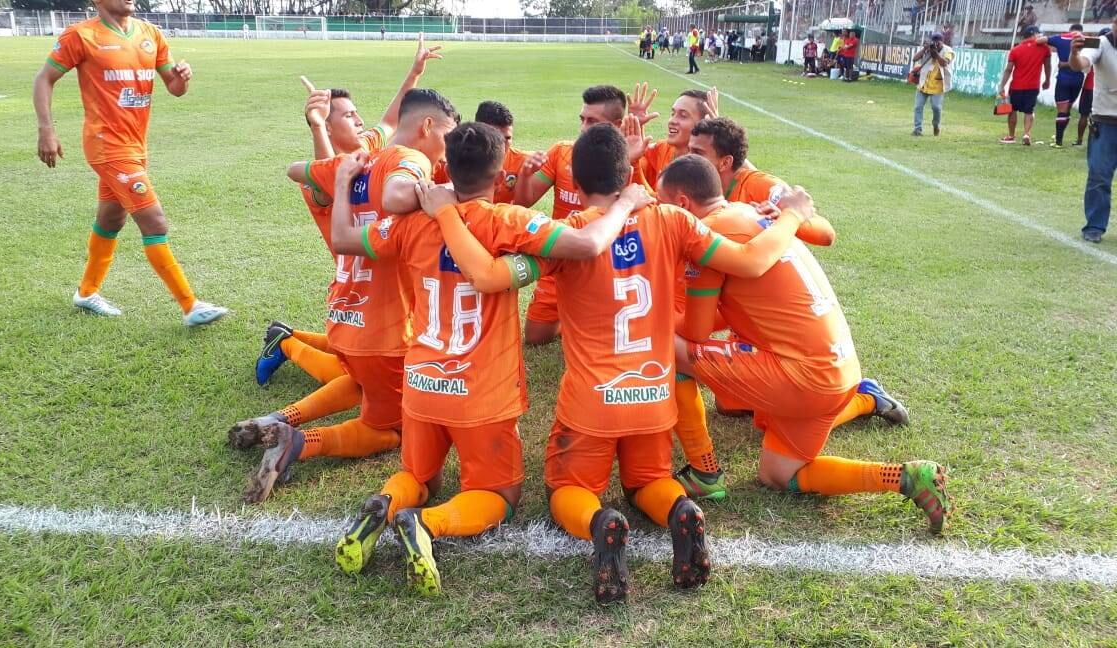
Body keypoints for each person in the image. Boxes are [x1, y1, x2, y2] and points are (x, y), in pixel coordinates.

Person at [436, 124, 819, 604]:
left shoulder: (570, 234)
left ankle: (600, 522)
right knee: (648, 481)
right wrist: (791, 215)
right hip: (653, 394)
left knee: (566, 488)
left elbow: (493, 277)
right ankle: (678, 510)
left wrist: (447, 214)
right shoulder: (671, 220)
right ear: (629, 174)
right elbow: (749, 260)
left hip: (592, 403)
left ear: (575, 181)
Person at [329, 122, 650, 596]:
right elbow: (586, 244)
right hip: (481, 392)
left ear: (446, 168)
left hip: (423, 382)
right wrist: (625, 202)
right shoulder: (507, 222)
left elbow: (342, 238)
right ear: (500, 175)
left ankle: (385, 503)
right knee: (501, 493)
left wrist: (341, 182)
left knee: (418, 475)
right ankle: (427, 524)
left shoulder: (411, 222)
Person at [660, 155, 952, 534]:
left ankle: (704, 471)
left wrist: (642, 321)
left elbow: (696, 334)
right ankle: (907, 476)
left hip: (803, 377)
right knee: (777, 474)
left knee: (667, 347)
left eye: (661, 204)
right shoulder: (748, 214)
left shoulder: (709, 236)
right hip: (838, 373)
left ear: (682, 203)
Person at [240, 89, 457, 503]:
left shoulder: (354, 161)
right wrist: (439, 195)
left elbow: (295, 169)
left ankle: (277, 416)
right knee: (391, 429)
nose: (448, 147)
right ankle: (298, 442)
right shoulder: (411, 160)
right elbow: (396, 194)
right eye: (448, 134)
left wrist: (340, 176)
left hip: (345, 316)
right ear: (427, 126)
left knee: (362, 386)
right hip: (387, 332)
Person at [34, 0, 227, 325]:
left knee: (111, 219)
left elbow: (175, 88)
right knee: (154, 221)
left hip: (136, 145)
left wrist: (183, 77)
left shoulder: (151, 33)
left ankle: (86, 292)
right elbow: (44, 78)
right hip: (106, 145)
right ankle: (190, 305)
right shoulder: (81, 36)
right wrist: (46, 130)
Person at [512, 85, 631, 346]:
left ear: (616, 125)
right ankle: (575, 315)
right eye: (582, 119)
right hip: (563, 258)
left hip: (607, 260)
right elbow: (523, 201)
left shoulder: (629, 159)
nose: (583, 127)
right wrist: (525, 176)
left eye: (592, 121)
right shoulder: (562, 153)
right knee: (536, 336)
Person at [1070, 22, 1117, 242]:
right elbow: (1081, 63)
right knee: (1099, 176)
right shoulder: (1099, 44)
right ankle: (1095, 226)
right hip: (1105, 123)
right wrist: (1074, 53)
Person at [999, 25, 1051, 145]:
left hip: (1016, 86)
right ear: (1034, 34)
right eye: (1039, 34)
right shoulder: (1044, 49)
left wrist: (1002, 85)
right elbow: (1048, 66)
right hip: (1033, 86)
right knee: (1029, 111)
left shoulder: (1015, 50)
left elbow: (1008, 69)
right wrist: (1047, 80)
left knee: (1012, 110)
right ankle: (1026, 134)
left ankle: (1011, 136)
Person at [1047, 24, 1087, 148]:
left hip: (1064, 79)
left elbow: (1040, 40)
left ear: (1070, 31)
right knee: (1068, 108)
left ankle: (1058, 141)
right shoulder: (1086, 41)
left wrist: (1063, 64)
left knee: (1062, 110)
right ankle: (1059, 135)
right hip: (1078, 79)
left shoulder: (1060, 39)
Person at [911, 32, 955, 136]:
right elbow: (914, 59)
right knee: (918, 107)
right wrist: (924, 49)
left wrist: (936, 54)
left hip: (938, 86)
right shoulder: (929, 48)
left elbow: (944, 63)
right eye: (934, 42)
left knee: (936, 108)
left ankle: (936, 125)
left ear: (942, 42)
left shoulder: (948, 51)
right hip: (924, 83)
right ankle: (917, 129)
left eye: (938, 43)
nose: (936, 44)